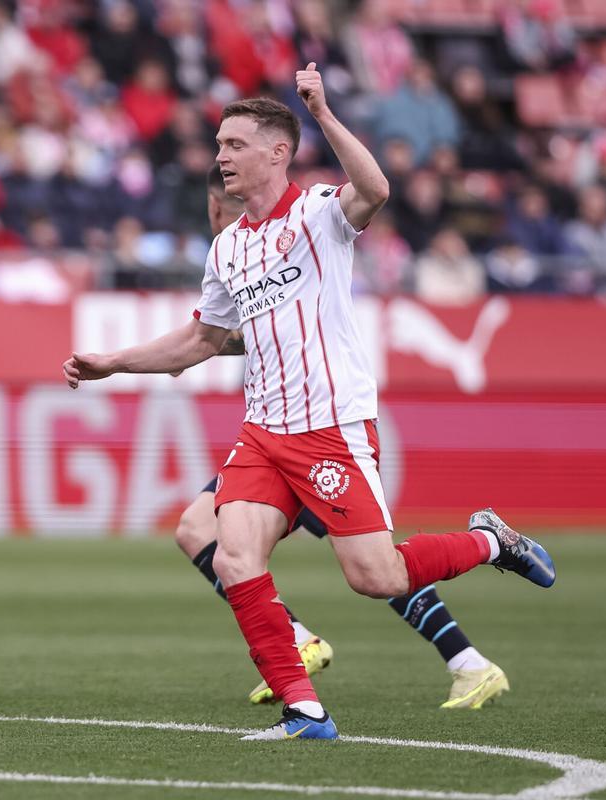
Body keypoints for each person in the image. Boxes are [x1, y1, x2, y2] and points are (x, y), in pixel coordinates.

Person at [62, 65, 555, 741]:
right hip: (263, 433)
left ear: (277, 152)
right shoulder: (228, 249)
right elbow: (202, 339)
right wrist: (112, 364)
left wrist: (322, 111)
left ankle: (490, 540)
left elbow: (376, 189)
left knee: (376, 576)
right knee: (231, 555)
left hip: (331, 426)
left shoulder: (320, 214)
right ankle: (305, 710)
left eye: (234, 144)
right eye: (219, 146)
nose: (221, 157)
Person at [175, 164, 511, 711]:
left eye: (217, 205)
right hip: (273, 429)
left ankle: (465, 658)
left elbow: (266, 327)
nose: (215, 215)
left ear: (226, 205)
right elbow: (236, 335)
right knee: (200, 529)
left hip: (318, 423)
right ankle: (309, 641)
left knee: (371, 565)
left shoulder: (289, 242)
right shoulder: (236, 254)